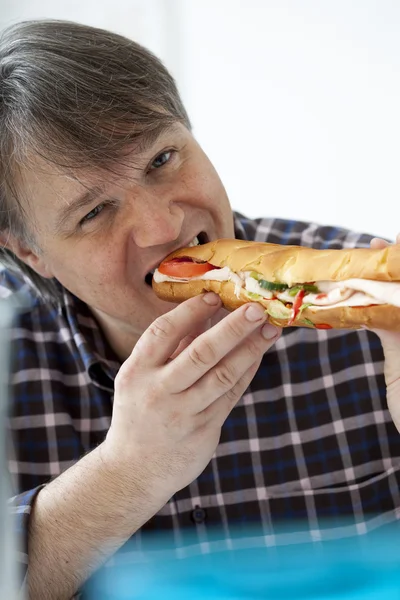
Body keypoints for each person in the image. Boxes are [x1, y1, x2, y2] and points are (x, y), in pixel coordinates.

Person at [1, 19, 400, 600]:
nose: (164, 227)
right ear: (30, 252)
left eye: (162, 159)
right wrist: (126, 473)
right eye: (94, 213)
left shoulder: (369, 297)